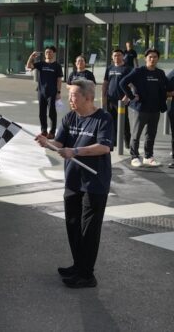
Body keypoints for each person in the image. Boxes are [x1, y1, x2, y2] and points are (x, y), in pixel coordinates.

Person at [34, 80, 113, 289]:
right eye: (69, 95)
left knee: (89, 230)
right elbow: (60, 144)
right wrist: (47, 142)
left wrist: (75, 151)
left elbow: (104, 147)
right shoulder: (70, 117)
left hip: (95, 183)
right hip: (73, 181)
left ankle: (87, 275)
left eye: (74, 96)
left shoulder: (102, 118)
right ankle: (78, 266)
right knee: (73, 225)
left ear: (88, 97)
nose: (70, 99)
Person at [119, 48, 172, 167]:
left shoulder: (160, 73)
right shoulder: (138, 71)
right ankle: (134, 156)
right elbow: (122, 82)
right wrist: (131, 96)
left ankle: (148, 156)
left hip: (155, 109)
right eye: (150, 57)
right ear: (146, 58)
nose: (152, 59)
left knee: (151, 134)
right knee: (136, 134)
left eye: (155, 57)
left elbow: (167, 87)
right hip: (140, 108)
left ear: (158, 59)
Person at [26, 46, 63, 138]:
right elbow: (28, 66)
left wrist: (58, 92)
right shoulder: (41, 64)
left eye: (50, 52)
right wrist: (31, 57)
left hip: (52, 92)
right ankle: (44, 131)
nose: (48, 54)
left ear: (54, 53)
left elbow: (59, 80)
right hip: (41, 92)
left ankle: (52, 132)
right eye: (46, 52)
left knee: (51, 112)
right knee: (42, 112)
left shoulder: (57, 66)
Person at [102, 48, 132, 150]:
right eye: (115, 55)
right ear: (112, 57)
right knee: (111, 121)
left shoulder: (127, 69)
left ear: (123, 56)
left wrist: (126, 97)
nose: (117, 57)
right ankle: (113, 142)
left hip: (121, 101)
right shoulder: (109, 68)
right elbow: (105, 83)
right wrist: (104, 97)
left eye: (119, 55)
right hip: (111, 100)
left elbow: (131, 85)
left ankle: (128, 142)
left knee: (124, 122)